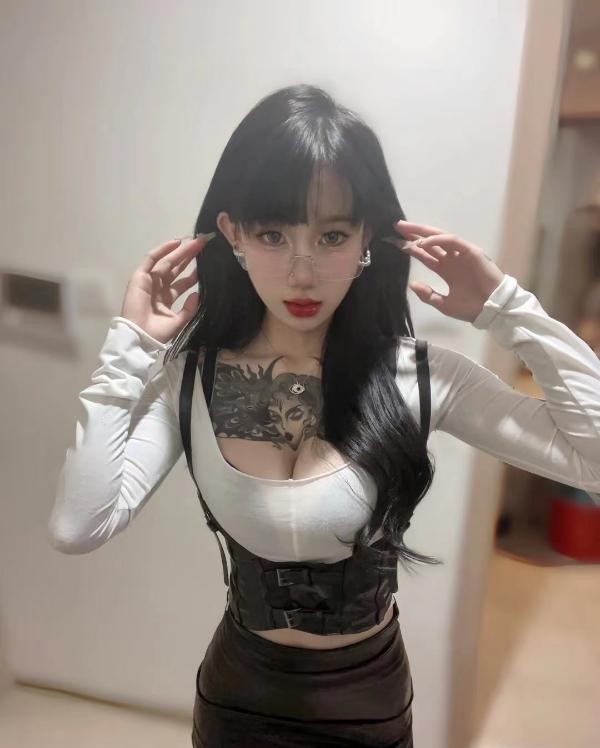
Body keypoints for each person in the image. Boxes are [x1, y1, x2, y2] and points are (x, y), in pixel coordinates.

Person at [48, 84, 600, 747]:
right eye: (273, 234)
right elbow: (78, 525)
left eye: (332, 235)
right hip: (237, 700)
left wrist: (508, 307)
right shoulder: (191, 379)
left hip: (365, 705)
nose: (303, 272)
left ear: (368, 236)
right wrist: (130, 351)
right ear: (233, 234)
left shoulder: (421, 377)